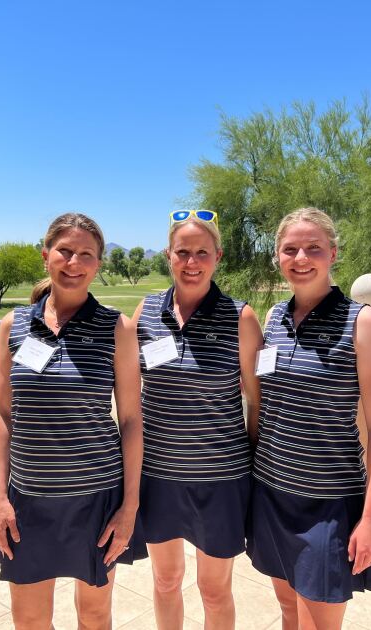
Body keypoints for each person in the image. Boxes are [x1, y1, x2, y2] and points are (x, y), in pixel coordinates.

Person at [0, 213, 146, 630]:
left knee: (94, 615)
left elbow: (131, 419)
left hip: (96, 501)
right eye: (65, 251)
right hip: (28, 499)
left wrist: (129, 507)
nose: (73, 262)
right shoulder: (14, 325)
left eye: (86, 255)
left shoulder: (117, 328)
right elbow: (3, 413)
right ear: (46, 256)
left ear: (98, 264)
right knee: (29, 617)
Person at [247, 207, 371, 630]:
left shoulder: (363, 323)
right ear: (278, 257)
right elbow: (261, 405)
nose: (301, 258)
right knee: (289, 611)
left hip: (328, 505)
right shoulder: (275, 318)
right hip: (271, 494)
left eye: (313, 248)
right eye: (290, 249)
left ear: (333, 253)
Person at [131, 210, 263, 630]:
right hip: (158, 476)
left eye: (201, 253)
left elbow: (256, 403)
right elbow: (127, 390)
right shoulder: (146, 311)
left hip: (221, 479)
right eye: (182, 252)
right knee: (166, 580)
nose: (191, 262)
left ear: (217, 256)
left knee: (214, 589)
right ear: (168, 256)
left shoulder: (239, 317)